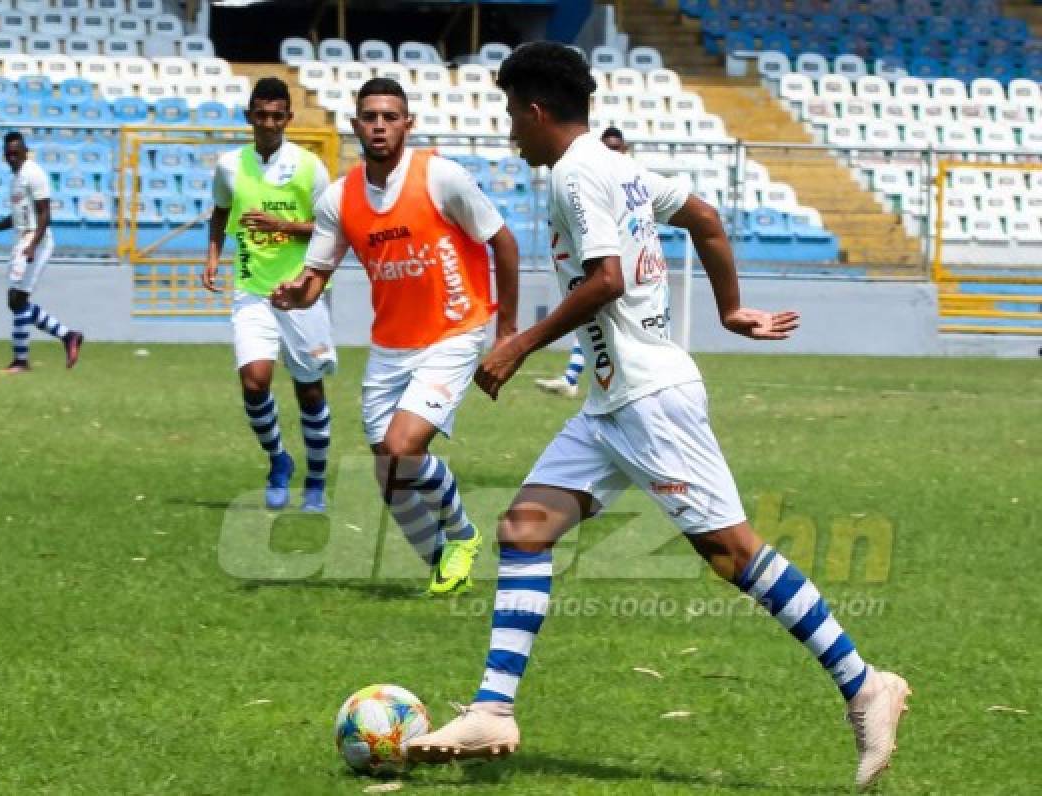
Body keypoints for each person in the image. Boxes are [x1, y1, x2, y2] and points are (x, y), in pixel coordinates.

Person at [407, 42, 909, 792]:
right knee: (524, 527)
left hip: (648, 400)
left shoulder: (578, 172)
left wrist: (518, 344)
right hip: (613, 402)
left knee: (734, 556)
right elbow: (703, 218)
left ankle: (866, 683)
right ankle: (493, 708)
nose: (511, 129)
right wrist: (730, 309)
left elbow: (607, 279)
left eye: (513, 113)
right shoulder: (619, 167)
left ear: (538, 111)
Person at [271, 77, 520, 596]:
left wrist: (508, 333)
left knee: (404, 448)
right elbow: (316, 275)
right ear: (356, 124)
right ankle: (439, 562)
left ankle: (463, 536)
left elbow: (502, 240)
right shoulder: (340, 199)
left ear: (407, 123)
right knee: (388, 474)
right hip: (391, 345)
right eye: (370, 117)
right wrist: (298, 293)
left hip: (455, 329)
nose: (379, 126)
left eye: (390, 116)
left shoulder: (442, 177)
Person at [202, 77, 337, 512]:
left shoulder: (310, 168)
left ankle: (315, 480)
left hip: (302, 292)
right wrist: (212, 256)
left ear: (288, 119)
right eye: (262, 115)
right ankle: (279, 460)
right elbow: (222, 210)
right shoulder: (229, 166)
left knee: (309, 392)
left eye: (278, 116)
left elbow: (332, 228)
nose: (269, 123)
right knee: (254, 382)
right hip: (253, 290)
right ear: (249, 117)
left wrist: (283, 227)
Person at [0, 131, 83, 374]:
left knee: (17, 300)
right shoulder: (16, 178)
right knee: (16, 302)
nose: (12, 157)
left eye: (16, 152)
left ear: (25, 151)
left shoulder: (34, 174)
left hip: (37, 239)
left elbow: (45, 214)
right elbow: (18, 217)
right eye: (9, 154)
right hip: (23, 239)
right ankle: (68, 336)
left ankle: (21, 361)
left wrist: (33, 245)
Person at [533, 126, 626, 399]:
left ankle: (576, 380)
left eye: (616, 147)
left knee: (598, 322)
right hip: (601, 266)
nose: (612, 152)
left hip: (620, 274)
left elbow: (704, 217)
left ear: (625, 149)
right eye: (607, 147)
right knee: (591, 320)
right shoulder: (588, 181)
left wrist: (522, 345)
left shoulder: (632, 181)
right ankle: (574, 379)